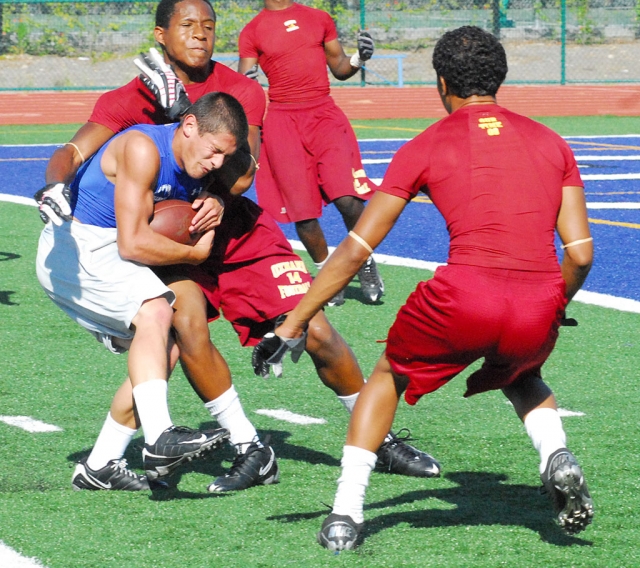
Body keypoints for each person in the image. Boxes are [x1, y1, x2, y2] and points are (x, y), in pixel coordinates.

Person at [34, 0, 440, 493]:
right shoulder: (130, 96)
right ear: (161, 35)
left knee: (311, 328)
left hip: (235, 229)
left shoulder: (241, 89)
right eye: (187, 26)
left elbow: (245, 168)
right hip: (168, 240)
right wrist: (53, 186)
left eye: (209, 26)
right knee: (170, 335)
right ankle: (243, 448)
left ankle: (380, 437)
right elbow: (74, 152)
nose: (200, 35)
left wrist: (219, 196)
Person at [256, 26, 595, 550]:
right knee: (522, 370)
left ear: (441, 83)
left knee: (388, 376)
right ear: (499, 77)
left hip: (462, 297)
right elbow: (579, 254)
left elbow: (355, 250)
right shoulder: (552, 142)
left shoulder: (426, 145)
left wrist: (295, 320)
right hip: (536, 301)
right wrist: (555, 304)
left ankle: (346, 514)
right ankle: (555, 454)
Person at [35, 92, 248, 489]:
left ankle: (100, 465)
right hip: (78, 249)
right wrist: (195, 253)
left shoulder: (197, 159)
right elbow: (132, 244)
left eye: (224, 155)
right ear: (188, 127)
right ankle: (159, 437)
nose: (217, 163)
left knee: (161, 348)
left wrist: (216, 198)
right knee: (156, 310)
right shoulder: (142, 147)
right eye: (214, 151)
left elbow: (244, 175)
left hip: (108, 252)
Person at [238, 0, 384, 307]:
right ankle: (329, 274)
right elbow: (244, 80)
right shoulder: (252, 30)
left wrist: (360, 57)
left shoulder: (318, 18)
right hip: (282, 122)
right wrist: (245, 82)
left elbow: (341, 68)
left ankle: (363, 262)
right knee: (303, 213)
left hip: (323, 115)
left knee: (347, 198)